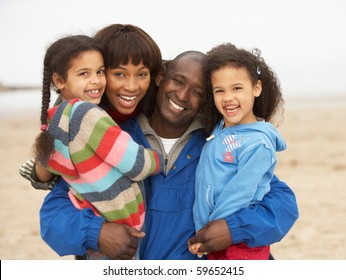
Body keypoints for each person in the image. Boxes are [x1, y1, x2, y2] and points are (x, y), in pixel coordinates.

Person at [36, 50, 298, 259]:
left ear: (207, 99)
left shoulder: (216, 148)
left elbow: (282, 204)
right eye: (178, 81)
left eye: (197, 92)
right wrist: (98, 233)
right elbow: (53, 216)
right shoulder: (112, 138)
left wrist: (234, 229)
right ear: (161, 77)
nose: (183, 96)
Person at [19, 24, 164, 259]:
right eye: (118, 73)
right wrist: (97, 233)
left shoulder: (159, 116)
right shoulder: (84, 126)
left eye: (142, 74)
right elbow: (52, 217)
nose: (131, 86)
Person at [189, 43, 287, 260]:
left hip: (238, 244)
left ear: (257, 88)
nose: (228, 98)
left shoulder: (258, 144)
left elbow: (239, 194)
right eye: (219, 90)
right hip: (215, 238)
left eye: (237, 88)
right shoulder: (219, 130)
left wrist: (208, 233)